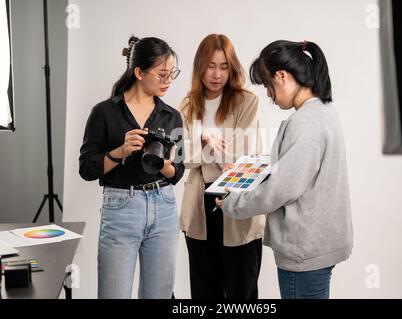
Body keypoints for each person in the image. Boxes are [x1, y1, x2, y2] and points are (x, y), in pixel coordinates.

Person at [216, 40, 353, 299]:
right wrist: (254, 167)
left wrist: (233, 203)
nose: (269, 95)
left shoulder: (305, 122)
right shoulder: (324, 112)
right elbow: (296, 170)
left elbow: (280, 189)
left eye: (268, 86)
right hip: (319, 245)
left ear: (282, 76)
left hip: (304, 251)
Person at [79, 36, 185, 299]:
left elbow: (178, 172)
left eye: (172, 73)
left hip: (163, 206)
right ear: (138, 72)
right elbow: (87, 169)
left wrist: (164, 165)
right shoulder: (104, 112)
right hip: (120, 208)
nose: (168, 80)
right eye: (162, 74)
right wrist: (120, 151)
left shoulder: (172, 116)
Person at [179, 34, 265, 299]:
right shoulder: (186, 106)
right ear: (200, 67)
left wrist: (202, 147)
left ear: (232, 68)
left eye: (224, 66)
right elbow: (180, 156)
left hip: (237, 200)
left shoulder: (247, 101)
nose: (217, 74)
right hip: (198, 207)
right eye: (211, 66)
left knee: (242, 293)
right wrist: (210, 143)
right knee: (205, 292)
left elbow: (244, 155)